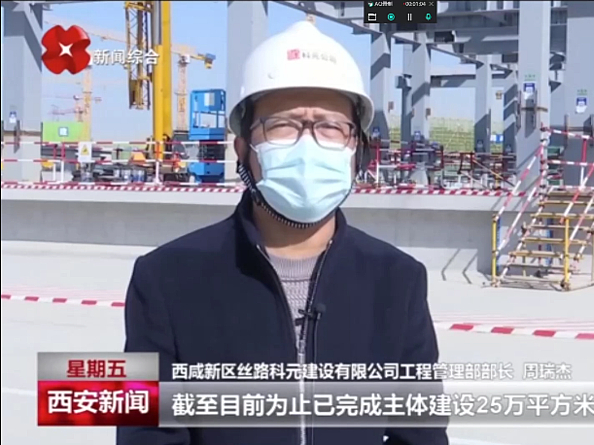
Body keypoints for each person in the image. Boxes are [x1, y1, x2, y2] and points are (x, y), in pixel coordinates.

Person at [117, 21, 447, 445]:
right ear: (243, 148)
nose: (308, 144)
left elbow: (421, 435)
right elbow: (145, 434)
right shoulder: (164, 278)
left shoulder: (398, 280)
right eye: (283, 126)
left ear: (357, 149)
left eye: (331, 127)